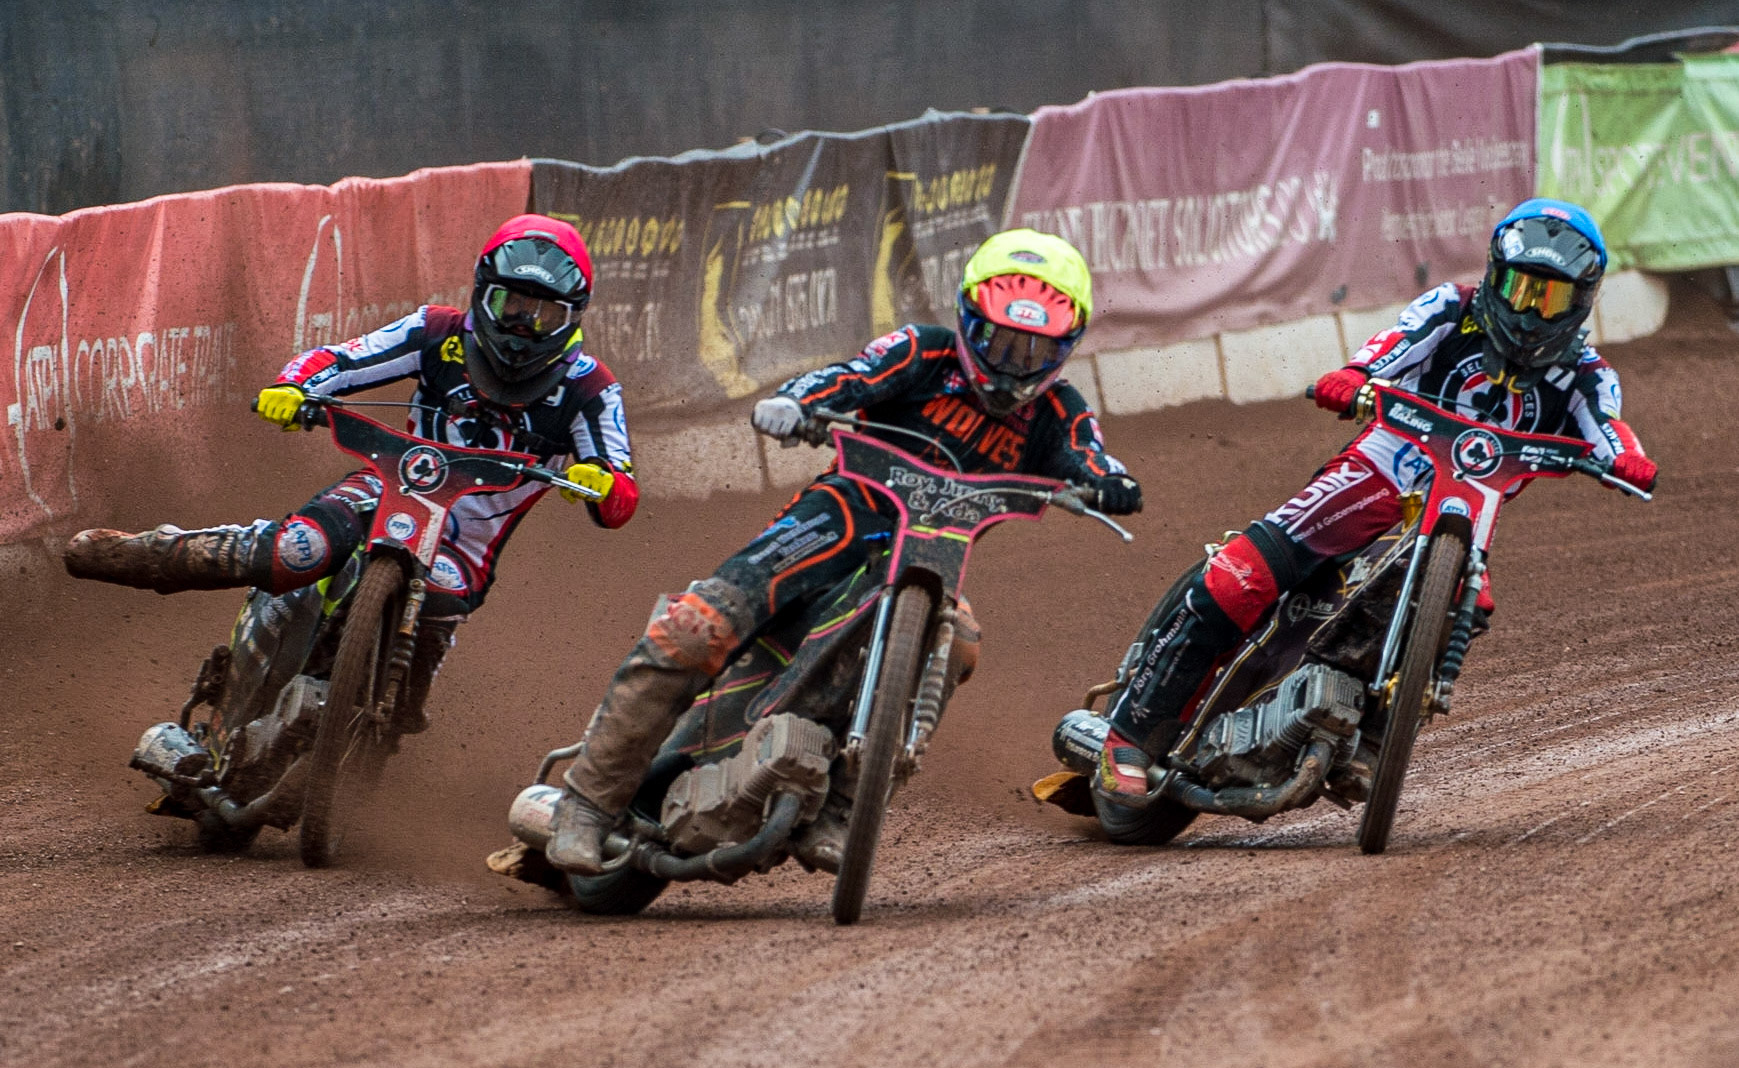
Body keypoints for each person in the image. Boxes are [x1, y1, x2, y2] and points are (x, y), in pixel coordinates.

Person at [542, 227, 1144, 874]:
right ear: (969, 321)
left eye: (1031, 349)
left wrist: (1109, 484)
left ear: (1063, 346)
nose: (1011, 361)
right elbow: (848, 376)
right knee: (698, 627)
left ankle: (845, 808)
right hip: (833, 522)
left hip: (930, 560)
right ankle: (586, 804)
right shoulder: (923, 351)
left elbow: (1091, 455)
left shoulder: (1058, 410)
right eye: (999, 340)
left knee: (960, 639)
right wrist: (800, 403)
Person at [1086, 198, 1659, 811]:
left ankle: (1372, 739)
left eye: (1548, 299)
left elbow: (1608, 428)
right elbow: (1391, 346)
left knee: (1472, 603)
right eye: (1520, 290)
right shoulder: (1452, 308)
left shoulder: (1588, 374)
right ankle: (1129, 736)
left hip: (1462, 515)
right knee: (1240, 576)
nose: (1528, 311)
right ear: (1495, 278)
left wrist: (1627, 459)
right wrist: (1355, 376)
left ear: (1581, 302)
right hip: (1379, 469)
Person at [64, 213, 638, 728]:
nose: (523, 327)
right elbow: (340, 360)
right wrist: (292, 388)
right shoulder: (438, 333)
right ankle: (158, 554)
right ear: (483, 296)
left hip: (461, 553)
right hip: (386, 488)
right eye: (512, 306)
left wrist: (603, 483)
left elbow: (621, 488)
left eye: (544, 314)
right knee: (295, 553)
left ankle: (382, 726)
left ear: (572, 318)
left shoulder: (590, 388)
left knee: (433, 621)